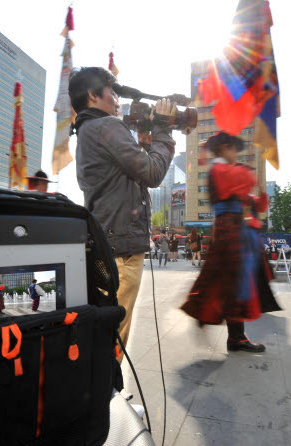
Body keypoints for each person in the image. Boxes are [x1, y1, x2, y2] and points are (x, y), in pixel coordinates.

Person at [70, 67, 176, 353]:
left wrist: (144, 144)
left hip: (107, 243)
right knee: (114, 336)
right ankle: (106, 390)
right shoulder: (107, 126)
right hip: (123, 252)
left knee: (104, 329)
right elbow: (153, 173)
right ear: (94, 95)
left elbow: (125, 176)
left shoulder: (87, 130)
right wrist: (164, 129)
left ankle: (103, 389)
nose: (117, 99)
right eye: (112, 92)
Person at [181, 132, 281, 353]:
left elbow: (258, 205)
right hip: (230, 232)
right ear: (224, 148)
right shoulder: (219, 170)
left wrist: (262, 195)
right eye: (233, 149)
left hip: (240, 234)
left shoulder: (231, 172)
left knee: (238, 285)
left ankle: (235, 337)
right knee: (232, 284)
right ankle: (209, 317)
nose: (236, 153)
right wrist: (251, 173)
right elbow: (243, 181)